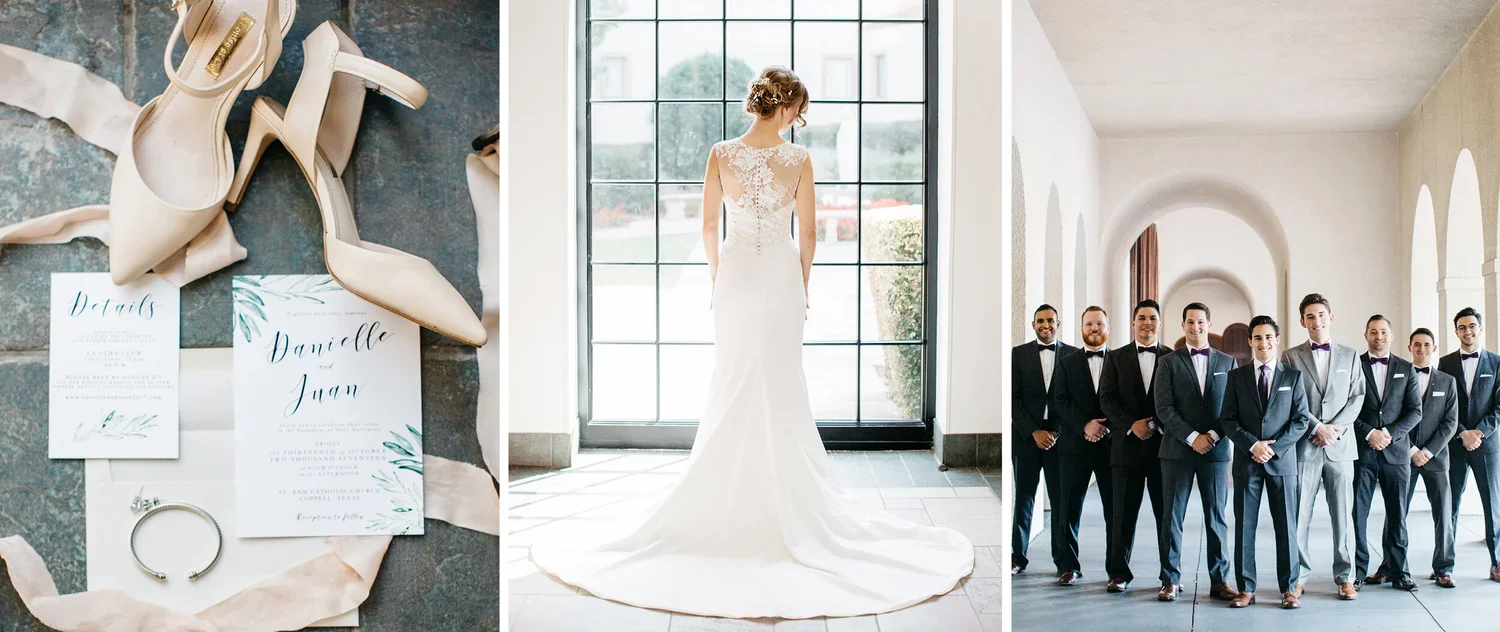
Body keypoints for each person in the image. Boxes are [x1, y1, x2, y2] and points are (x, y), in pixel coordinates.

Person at [528, 66, 974, 618]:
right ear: (788, 109)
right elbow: (807, 234)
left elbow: (706, 229)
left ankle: (725, 495)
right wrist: (803, 282)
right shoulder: (798, 160)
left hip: (737, 274)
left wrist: (718, 276)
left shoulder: (721, 153)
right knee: (783, 381)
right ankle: (784, 500)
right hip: (780, 277)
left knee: (735, 376)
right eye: (799, 111)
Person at [1220, 315, 1312, 610]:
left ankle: (1289, 589)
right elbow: (1228, 420)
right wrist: (1252, 445)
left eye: (1268, 337)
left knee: (1286, 528)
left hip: (1282, 464)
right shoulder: (1237, 377)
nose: (1263, 343)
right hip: (1247, 463)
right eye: (1257, 338)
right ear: (1250, 341)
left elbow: (1300, 421)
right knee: (1244, 527)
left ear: (1277, 340)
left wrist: (1275, 448)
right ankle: (1246, 589)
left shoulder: (1293, 377)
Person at [1280, 293, 1365, 600]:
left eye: (1321, 315)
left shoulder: (1350, 355)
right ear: (1303, 321)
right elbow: (1288, 399)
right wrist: (1317, 427)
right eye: (1310, 316)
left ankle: (1345, 577)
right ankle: (1298, 576)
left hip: (1341, 448)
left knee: (1343, 514)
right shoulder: (1290, 357)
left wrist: (1335, 430)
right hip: (1305, 447)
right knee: (1300, 514)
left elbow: (1357, 397)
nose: (1317, 321)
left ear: (1331, 317)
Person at [1153, 302, 1237, 603]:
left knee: (1216, 517)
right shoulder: (1168, 362)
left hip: (1215, 451)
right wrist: (1192, 438)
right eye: (1190, 322)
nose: (1195, 327)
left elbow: (1232, 408)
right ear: (1183, 325)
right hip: (1177, 450)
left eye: (1200, 322)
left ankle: (1219, 581)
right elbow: (1163, 408)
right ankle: (1170, 580)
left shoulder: (1228, 363)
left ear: (1209, 324)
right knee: (1172, 517)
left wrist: (1212, 436)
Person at [1098, 299, 1168, 593]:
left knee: (1166, 516)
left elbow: (1176, 402)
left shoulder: (1172, 357)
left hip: (1164, 451)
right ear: (1133, 323)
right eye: (1141, 317)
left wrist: (1154, 425)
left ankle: (1169, 575)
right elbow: (1107, 399)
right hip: (1125, 449)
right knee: (1121, 515)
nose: (1147, 323)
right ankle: (1118, 573)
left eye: (1152, 317)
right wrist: (1131, 424)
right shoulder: (1115, 358)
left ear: (1159, 322)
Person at [1352, 315, 1422, 592]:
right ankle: (1356, 572)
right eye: (1373, 332)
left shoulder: (1407, 368)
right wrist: (1370, 433)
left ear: (1391, 336)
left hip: (1396, 453)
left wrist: (1389, 434)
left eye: (1383, 332)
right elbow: (1347, 409)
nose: (1378, 336)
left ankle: (1399, 571)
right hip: (1363, 452)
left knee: (1398, 514)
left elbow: (1415, 411)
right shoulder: (1354, 366)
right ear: (1366, 335)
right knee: (1358, 514)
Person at [1051, 306, 1115, 586]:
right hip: (1074, 445)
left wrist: (1105, 427)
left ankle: (1116, 570)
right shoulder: (1066, 361)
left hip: (1112, 446)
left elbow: (1126, 401)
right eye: (1089, 324)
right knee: (1068, 506)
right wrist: (1085, 425)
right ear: (1081, 328)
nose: (1094, 328)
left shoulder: (1119, 361)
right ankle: (1069, 566)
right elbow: (1060, 400)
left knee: (1114, 509)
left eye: (1099, 323)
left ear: (1107, 328)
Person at [1012, 304, 1077, 574]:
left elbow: (1074, 400)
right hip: (1027, 438)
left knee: (1061, 500)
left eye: (1050, 320)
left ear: (1058, 324)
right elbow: (1013, 399)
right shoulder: (1018, 354)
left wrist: (1056, 432)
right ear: (1033, 325)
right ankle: (1018, 557)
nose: (1045, 325)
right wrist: (1033, 431)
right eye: (1040, 321)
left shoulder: (1073, 356)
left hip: (1060, 439)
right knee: (1024, 498)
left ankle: (1063, 563)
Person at [1438, 307, 1500, 583]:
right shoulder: (1446, 363)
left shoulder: (1497, 363)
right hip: (1454, 444)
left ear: (1480, 328)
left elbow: (1499, 407)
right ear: (1456, 331)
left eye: (1472, 326)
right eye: (1462, 327)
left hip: (1487, 446)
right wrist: (1463, 432)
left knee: (1492, 505)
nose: (1468, 331)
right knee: (1449, 506)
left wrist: (1479, 433)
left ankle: (1497, 562)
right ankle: (1445, 566)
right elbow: (1442, 406)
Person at [1399, 328, 1460, 588]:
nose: (1421, 349)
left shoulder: (1447, 381)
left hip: (1436, 457)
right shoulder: (1398, 379)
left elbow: (1451, 422)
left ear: (1434, 348)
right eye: (1417, 345)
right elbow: (1393, 418)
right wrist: (1412, 450)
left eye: (1426, 344)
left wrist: (1429, 451)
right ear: (1410, 348)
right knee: (1396, 512)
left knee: (1443, 514)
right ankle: (1394, 566)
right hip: (1404, 456)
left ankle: (1444, 568)